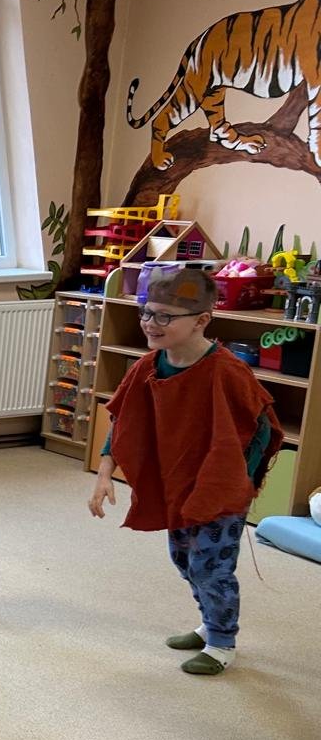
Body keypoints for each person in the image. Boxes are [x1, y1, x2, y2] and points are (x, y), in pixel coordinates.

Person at [88, 268, 282, 675]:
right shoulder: (148, 366)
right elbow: (124, 422)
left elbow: (262, 427)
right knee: (184, 559)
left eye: (164, 316)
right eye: (146, 312)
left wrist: (238, 481)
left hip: (220, 490)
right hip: (179, 484)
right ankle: (209, 622)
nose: (150, 323)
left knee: (211, 566)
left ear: (201, 320)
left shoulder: (227, 371)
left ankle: (222, 642)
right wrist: (105, 473)